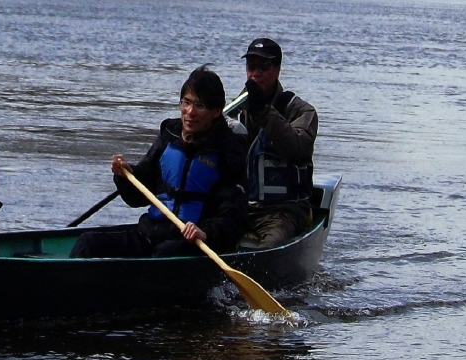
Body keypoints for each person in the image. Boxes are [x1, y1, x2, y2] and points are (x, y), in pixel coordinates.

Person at [71, 66, 247, 258]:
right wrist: (125, 175)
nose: (190, 112)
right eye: (186, 102)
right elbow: (137, 196)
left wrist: (206, 234)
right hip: (150, 233)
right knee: (88, 242)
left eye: (199, 106)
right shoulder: (169, 136)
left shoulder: (229, 151)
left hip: (192, 243)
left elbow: (234, 215)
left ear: (216, 111)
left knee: (164, 254)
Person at [235, 38, 318, 250]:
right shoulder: (236, 110)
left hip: (285, 210)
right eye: (251, 66)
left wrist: (263, 111)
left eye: (263, 67)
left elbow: (297, 148)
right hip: (242, 207)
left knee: (272, 245)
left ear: (278, 69)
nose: (256, 73)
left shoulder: (301, 111)